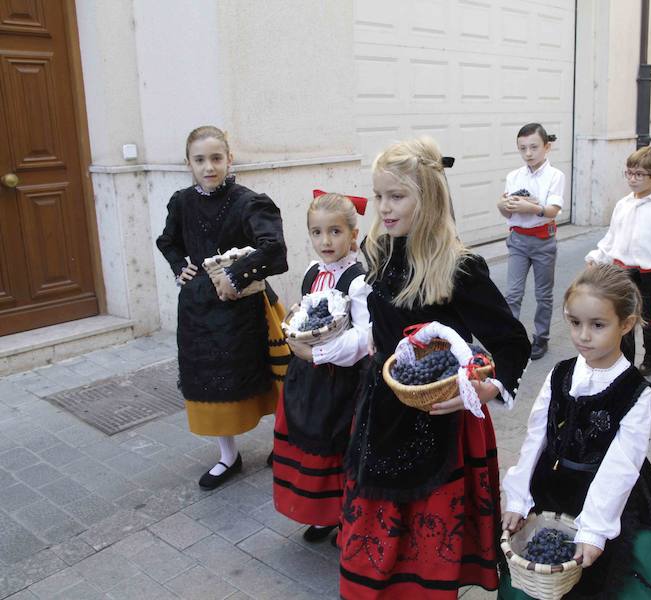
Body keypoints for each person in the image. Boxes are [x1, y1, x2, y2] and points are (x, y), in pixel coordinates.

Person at [340, 137, 531, 599]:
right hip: (382, 408)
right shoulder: (380, 252)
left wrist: (489, 388)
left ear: (428, 198)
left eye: (397, 196)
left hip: (438, 418)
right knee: (377, 526)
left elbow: (512, 343)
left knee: (426, 537)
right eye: (379, 195)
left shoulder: (459, 268)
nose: (384, 208)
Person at [499, 264, 651, 600]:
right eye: (575, 323)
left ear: (625, 324)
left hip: (607, 502)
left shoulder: (636, 394)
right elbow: (536, 438)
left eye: (597, 325)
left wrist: (595, 530)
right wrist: (519, 495)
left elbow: (621, 466)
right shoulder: (559, 373)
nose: (583, 335)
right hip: (550, 490)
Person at [157, 125, 289, 490]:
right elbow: (166, 239)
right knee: (211, 385)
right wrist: (177, 265)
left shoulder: (248, 201)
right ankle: (228, 457)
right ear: (189, 163)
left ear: (229, 159)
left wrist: (236, 276)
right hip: (200, 312)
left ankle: (284, 445)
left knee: (275, 382)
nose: (209, 167)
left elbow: (274, 248)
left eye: (216, 158)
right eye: (200, 160)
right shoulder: (181, 201)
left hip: (248, 309)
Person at [272, 191, 371, 544]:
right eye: (317, 232)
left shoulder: (358, 282)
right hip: (310, 378)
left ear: (353, 234)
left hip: (343, 380)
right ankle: (324, 513)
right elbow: (308, 312)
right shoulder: (313, 271)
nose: (325, 241)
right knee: (310, 441)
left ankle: (346, 518)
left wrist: (321, 353)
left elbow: (365, 338)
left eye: (335, 232)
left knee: (337, 447)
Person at [585, 146, 651, 377]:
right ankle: (625, 361)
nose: (632, 179)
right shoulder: (623, 205)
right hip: (622, 271)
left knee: (650, 319)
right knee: (623, 319)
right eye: (629, 173)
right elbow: (613, 237)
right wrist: (598, 257)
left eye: (639, 174)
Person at [497, 123, 566, 360]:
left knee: (543, 294)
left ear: (547, 147)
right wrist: (502, 206)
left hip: (543, 241)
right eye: (523, 148)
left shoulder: (555, 176)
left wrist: (531, 207)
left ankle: (541, 337)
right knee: (513, 293)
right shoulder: (513, 176)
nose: (528, 153)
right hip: (517, 239)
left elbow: (553, 211)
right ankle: (511, 338)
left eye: (534, 147)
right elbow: (508, 213)